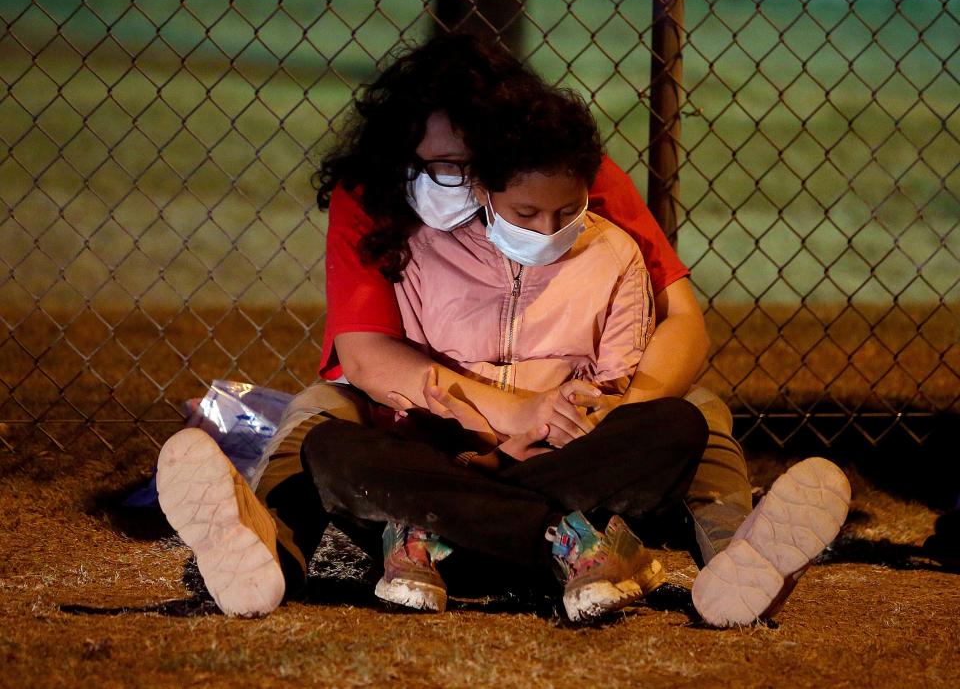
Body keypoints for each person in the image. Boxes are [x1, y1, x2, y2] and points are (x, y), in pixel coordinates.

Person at [155, 34, 850, 627]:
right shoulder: (373, 198)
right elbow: (366, 359)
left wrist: (620, 409)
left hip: (567, 432)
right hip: (428, 431)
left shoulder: (563, 180)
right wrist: (508, 412)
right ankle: (270, 550)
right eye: (441, 167)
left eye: (474, 165)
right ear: (404, 152)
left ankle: (734, 561)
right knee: (321, 426)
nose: (458, 185)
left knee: (691, 415)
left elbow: (684, 325)